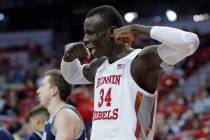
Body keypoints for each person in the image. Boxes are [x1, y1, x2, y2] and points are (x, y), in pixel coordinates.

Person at [60, 5, 199, 140]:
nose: (85, 39)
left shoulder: (141, 61)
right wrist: (68, 57)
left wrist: (138, 29)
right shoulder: (99, 66)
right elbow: (71, 75)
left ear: (112, 32)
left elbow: (190, 42)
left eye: (91, 33)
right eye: (85, 33)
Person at [36, 69, 87, 140]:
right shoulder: (55, 116)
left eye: (43, 86)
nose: (38, 91)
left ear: (54, 90)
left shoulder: (65, 115)